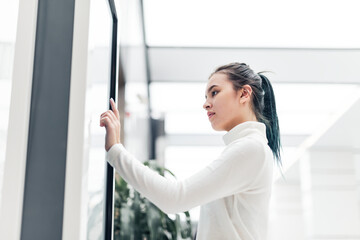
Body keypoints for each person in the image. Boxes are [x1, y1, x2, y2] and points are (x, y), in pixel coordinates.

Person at [100, 62, 281, 240]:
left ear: (244, 93)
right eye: (206, 97)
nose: (206, 104)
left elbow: (175, 198)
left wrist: (115, 150)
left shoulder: (249, 149)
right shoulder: (251, 148)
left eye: (214, 92)